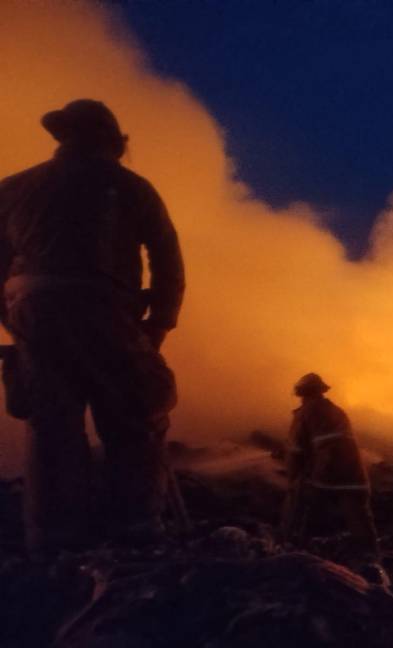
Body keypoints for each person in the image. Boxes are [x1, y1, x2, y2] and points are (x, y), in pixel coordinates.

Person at [0, 99, 185, 554]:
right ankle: (134, 529)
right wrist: (157, 326)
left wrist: (15, 324)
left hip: (32, 313)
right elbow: (167, 261)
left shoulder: (11, 188)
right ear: (110, 140)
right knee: (135, 413)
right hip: (103, 307)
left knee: (51, 423)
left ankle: (53, 537)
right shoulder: (129, 187)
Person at [281, 373, 380, 566]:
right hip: (354, 478)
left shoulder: (305, 413)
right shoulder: (337, 412)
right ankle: (373, 561)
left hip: (323, 480)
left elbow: (295, 451)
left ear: (301, 393)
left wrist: (293, 480)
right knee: (360, 523)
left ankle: (296, 556)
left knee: (299, 517)